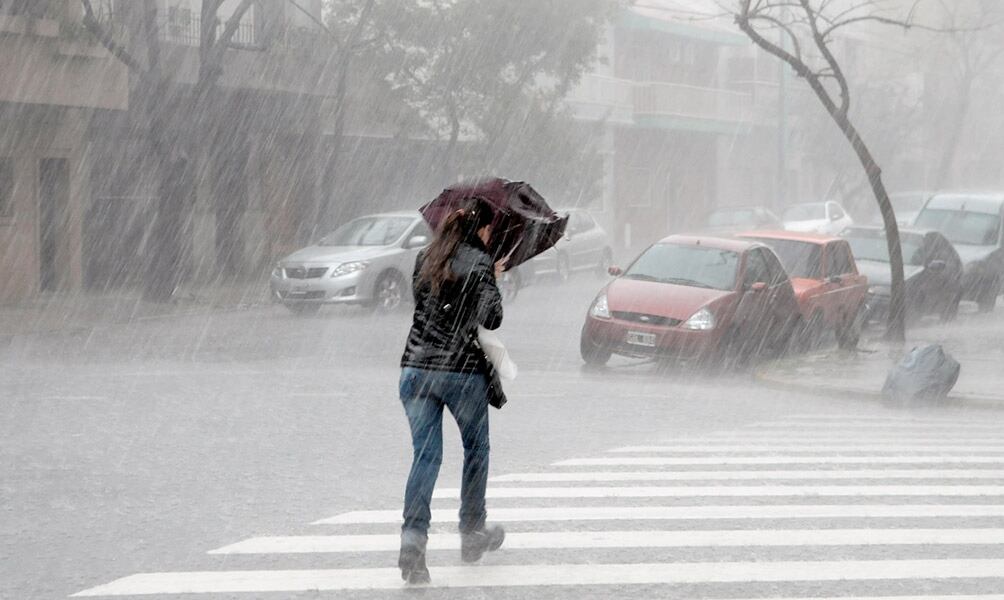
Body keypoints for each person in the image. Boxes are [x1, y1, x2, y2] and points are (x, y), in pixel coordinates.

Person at [397, 197, 506, 584]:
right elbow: (491, 317)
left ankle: (412, 542)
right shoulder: (479, 262)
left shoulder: (424, 257)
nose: (491, 235)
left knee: (425, 459)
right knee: (476, 449)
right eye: (491, 230)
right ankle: (472, 532)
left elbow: (426, 305)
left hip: (414, 370)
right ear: (481, 229)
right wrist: (491, 276)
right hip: (460, 372)